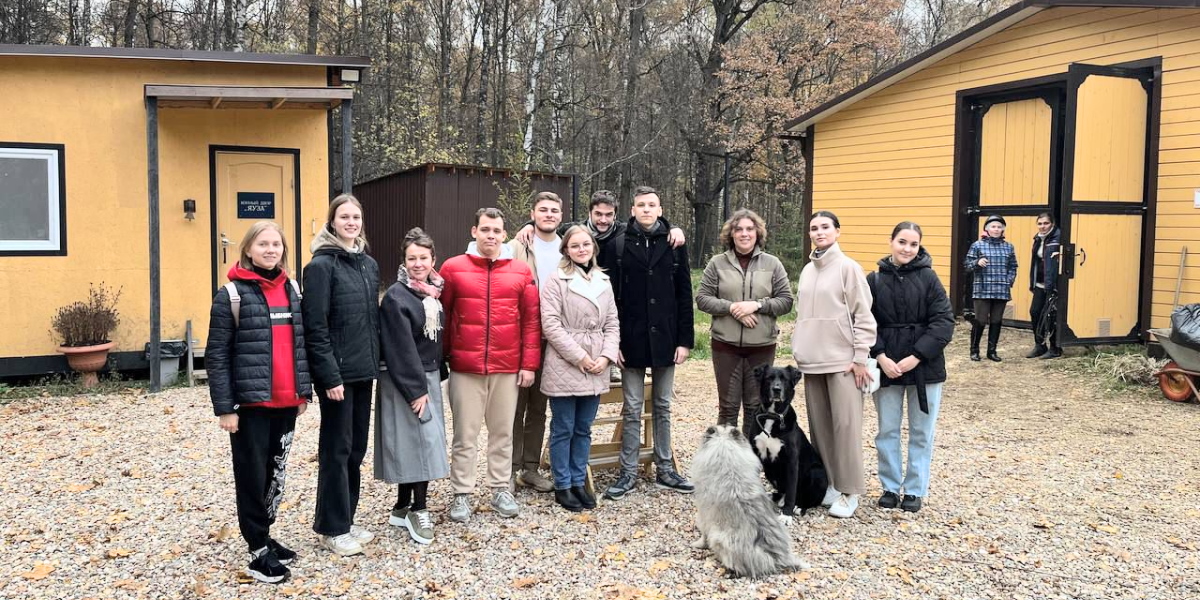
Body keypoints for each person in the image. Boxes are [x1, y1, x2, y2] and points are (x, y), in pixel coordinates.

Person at [206, 221, 311, 584]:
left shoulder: (293, 290)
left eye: (276, 244)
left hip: (286, 401)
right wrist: (224, 408)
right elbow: (217, 355)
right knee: (251, 475)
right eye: (263, 244)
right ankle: (256, 549)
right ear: (249, 250)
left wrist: (304, 391)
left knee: (275, 472)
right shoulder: (231, 295)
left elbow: (301, 346)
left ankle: (265, 534)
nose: (270, 250)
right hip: (250, 406)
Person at [440, 207, 541, 522]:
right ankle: (461, 493)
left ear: (504, 233)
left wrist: (528, 365)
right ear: (474, 231)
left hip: (507, 366)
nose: (491, 236)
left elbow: (530, 322)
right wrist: (443, 360)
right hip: (465, 367)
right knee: (464, 435)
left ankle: (500, 488)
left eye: (497, 231)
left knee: (502, 432)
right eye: (485, 230)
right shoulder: (453, 268)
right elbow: (442, 316)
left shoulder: (520, 271)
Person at [603, 186, 695, 500]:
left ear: (659, 208)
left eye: (651, 205)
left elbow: (685, 294)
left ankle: (666, 468)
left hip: (667, 338)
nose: (646, 209)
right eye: (641, 205)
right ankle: (627, 473)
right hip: (630, 338)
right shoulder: (618, 244)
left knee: (663, 405)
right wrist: (611, 341)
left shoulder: (674, 243)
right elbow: (610, 299)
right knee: (631, 407)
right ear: (632, 210)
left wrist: (685, 340)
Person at [302, 194, 380, 557]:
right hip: (338, 377)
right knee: (336, 450)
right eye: (344, 217)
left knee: (355, 449)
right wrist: (328, 376)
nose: (351, 222)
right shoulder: (321, 266)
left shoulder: (367, 264)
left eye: (356, 217)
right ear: (332, 222)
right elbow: (315, 327)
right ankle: (332, 528)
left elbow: (370, 320)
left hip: (364, 372)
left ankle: (346, 518)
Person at [791, 210, 876, 519]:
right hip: (812, 362)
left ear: (837, 231)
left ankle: (850, 490)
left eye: (825, 227)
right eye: (814, 228)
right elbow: (803, 316)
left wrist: (859, 357)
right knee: (821, 429)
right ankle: (829, 484)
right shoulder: (806, 271)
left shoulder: (848, 268)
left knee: (846, 427)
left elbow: (863, 316)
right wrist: (798, 347)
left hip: (843, 362)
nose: (819, 232)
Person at [867, 222, 954, 514]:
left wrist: (917, 356)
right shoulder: (874, 280)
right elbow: (865, 322)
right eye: (902, 242)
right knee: (887, 429)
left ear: (919, 247)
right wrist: (880, 356)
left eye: (913, 244)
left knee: (921, 431)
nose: (907, 249)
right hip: (887, 365)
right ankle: (890, 486)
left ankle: (915, 489)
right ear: (891, 242)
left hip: (924, 368)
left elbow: (943, 322)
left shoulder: (929, 279)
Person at [375, 228, 449, 545]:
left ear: (433, 259)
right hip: (407, 379)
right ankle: (419, 509)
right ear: (404, 261)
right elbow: (399, 347)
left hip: (426, 375)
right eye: (411, 258)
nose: (418, 263)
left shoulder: (430, 291)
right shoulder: (396, 296)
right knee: (421, 443)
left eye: (423, 258)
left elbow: (431, 338)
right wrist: (416, 390)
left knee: (417, 442)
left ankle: (401, 506)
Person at [539, 225, 620, 511]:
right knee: (564, 427)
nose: (581, 249)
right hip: (566, 361)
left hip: (597, 362)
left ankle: (577, 480)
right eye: (575, 246)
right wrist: (579, 357)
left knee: (584, 428)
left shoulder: (603, 280)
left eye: (586, 244)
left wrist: (607, 356)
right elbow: (550, 325)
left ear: (593, 248)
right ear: (566, 251)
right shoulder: (556, 280)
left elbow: (612, 323)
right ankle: (562, 484)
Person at [696, 209, 794, 436]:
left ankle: (750, 460)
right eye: (738, 229)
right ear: (731, 234)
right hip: (725, 346)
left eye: (749, 229)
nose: (744, 234)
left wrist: (757, 305)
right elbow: (702, 299)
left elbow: (786, 301)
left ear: (757, 233)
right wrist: (733, 308)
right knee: (728, 407)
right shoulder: (717, 263)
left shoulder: (772, 264)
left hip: (761, 347)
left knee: (754, 406)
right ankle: (725, 461)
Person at [506, 191, 563, 494]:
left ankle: (530, 468)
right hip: (519, 335)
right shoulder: (518, 246)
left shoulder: (568, 248)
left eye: (554, 210)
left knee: (540, 408)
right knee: (515, 406)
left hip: (552, 339)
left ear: (561, 215)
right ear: (533, 214)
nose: (549, 215)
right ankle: (510, 470)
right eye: (543, 210)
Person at [514, 189, 686, 274]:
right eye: (598, 214)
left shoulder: (624, 232)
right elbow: (550, 225)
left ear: (615, 215)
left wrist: (673, 228)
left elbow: (649, 228)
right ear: (589, 213)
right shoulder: (574, 231)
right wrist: (529, 225)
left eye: (608, 215)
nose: (603, 220)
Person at [963, 214, 1017, 362]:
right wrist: (977, 262)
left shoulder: (1009, 247)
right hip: (982, 289)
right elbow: (967, 265)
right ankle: (974, 350)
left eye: (999, 227)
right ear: (986, 229)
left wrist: (1009, 280)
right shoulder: (977, 245)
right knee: (980, 320)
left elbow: (1013, 266)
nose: (996, 229)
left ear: (1003, 230)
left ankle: (992, 351)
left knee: (996, 320)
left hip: (1001, 289)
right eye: (993, 226)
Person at [1027, 212, 1062, 359]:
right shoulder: (1038, 239)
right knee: (1035, 312)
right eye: (1040, 224)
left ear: (1052, 224)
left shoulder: (1058, 238)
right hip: (1040, 283)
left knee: (1051, 315)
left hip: (1053, 284)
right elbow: (1036, 262)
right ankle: (1040, 345)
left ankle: (1055, 348)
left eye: (1046, 223)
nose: (1042, 226)